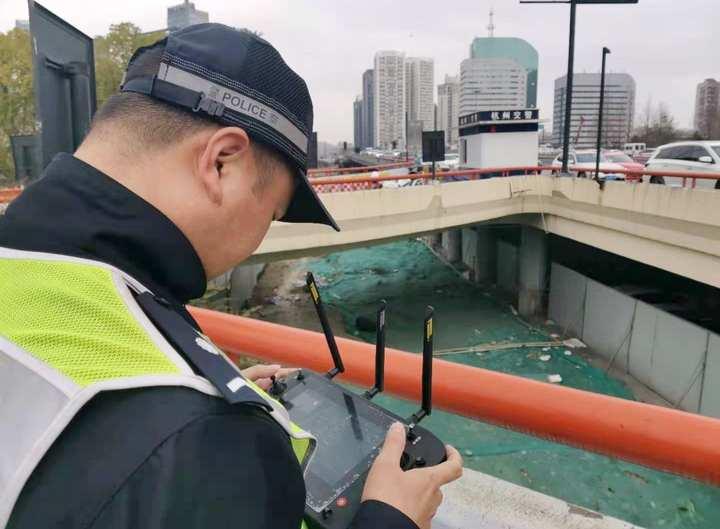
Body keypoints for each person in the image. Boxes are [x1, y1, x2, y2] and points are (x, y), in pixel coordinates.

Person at [0, 24, 462, 529]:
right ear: (221, 162)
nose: (259, 238)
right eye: (273, 210)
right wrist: (389, 520)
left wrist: (198, 387)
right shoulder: (209, 441)